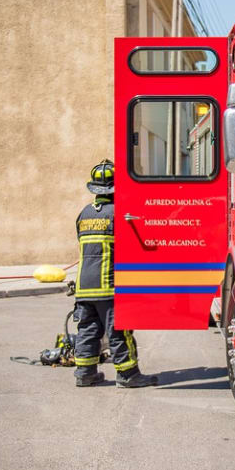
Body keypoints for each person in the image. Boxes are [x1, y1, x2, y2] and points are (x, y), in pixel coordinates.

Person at [73, 159, 158, 388]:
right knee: (119, 331)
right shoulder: (119, 213)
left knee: (87, 330)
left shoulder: (84, 214)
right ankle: (128, 374)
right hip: (109, 286)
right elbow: (132, 247)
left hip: (84, 287)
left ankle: (85, 374)